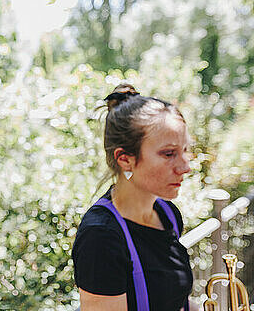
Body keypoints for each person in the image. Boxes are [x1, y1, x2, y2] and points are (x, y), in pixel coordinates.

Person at [72, 84, 194, 311]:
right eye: (169, 154)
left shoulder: (167, 213)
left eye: (185, 150)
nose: (185, 167)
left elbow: (173, 300)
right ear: (125, 159)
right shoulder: (101, 238)